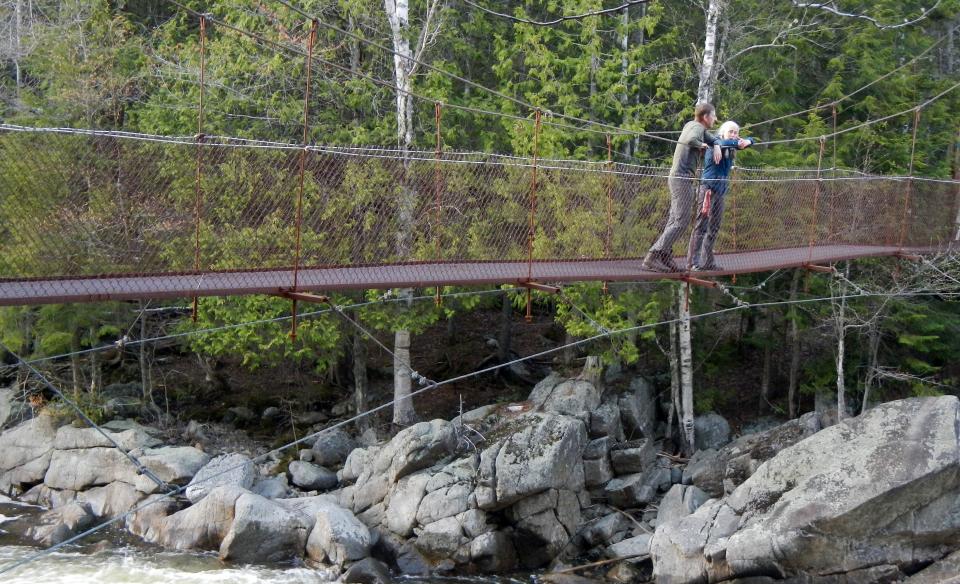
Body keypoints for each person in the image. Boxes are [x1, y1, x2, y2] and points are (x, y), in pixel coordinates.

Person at [642, 102, 723, 273]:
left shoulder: (692, 125)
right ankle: (652, 256)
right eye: (713, 115)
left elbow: (714, 138)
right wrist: (702, 145)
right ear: (706, 117)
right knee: (681, 221)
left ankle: (664, 254)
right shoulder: (697, 128)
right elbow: (690, 140)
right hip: (682, 178)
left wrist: (715, 144)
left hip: (678, 177)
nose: (715, 119)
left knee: (674, 220)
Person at [688, 120, 753, 271]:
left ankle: (708, 262)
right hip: (708, 189)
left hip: (721, 191)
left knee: (714, 227)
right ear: (723, 132)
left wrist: (748, 141)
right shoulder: (715, 143)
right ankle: (693, 263)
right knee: (701, 226)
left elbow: (751, 140)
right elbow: (724, 143)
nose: (734, 135)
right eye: (731, 131)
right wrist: (741, 143)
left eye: (736, 132)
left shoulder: (731, 147)